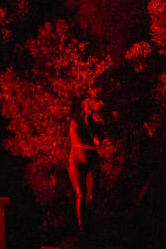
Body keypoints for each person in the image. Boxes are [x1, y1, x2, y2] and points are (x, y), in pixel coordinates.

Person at [69, 97, 103, 232]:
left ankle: (92, 224)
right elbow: (78, 143)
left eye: (89, 109)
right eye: (84, 108)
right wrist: (95, 147)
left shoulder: (94, 123)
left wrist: (91, 129)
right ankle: (81, 226)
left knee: (92, 195)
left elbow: (99, 139)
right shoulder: (75, 122)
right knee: (81, 194)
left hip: (91, 162)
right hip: (77, 162)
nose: (86, 111)